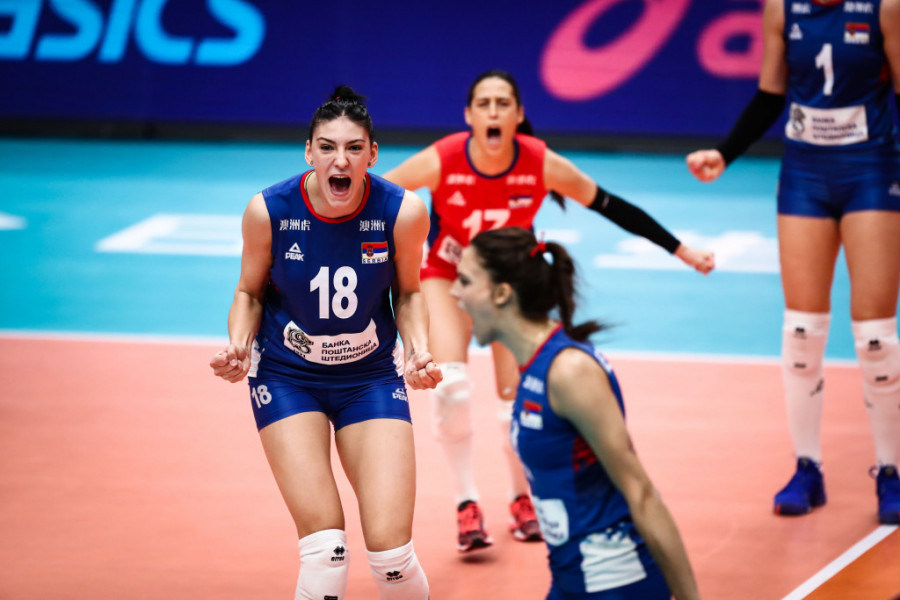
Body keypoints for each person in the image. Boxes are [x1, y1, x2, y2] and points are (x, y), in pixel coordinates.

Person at [382, 69, 716, 552]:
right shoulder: (444, 157)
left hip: (510, 287)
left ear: (518, 115)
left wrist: (680, 250)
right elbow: (375, 195)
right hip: (447, 275)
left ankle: (521, 498)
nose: (494, 112)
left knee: (513, 403)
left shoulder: (540, 163)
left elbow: (610, 205)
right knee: (451, 387)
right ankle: (466, 503)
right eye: (484, 104)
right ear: (469, 115)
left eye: (503, 103)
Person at [209, 86, 442, 600]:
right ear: (308, 152)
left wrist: (418, 350)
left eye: (354, 148)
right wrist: (239, 346)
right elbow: (248, 292)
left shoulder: (402, 212)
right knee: (325, 552)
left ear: (372, 155)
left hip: (370, 378)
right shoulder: (269, 211)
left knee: (393, 558)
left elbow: (409, 293)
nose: (341, 160)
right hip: (288, 378)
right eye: (328, 147)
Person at [686, 0, 900, 524]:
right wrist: (725, 152)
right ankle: (807, 467)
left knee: (875, 336)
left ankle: (891, 471)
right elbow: (770, 95)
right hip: (805, 175)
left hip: (871, 169)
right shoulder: (782, 9)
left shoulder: (886, 8)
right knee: (802, 331)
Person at [449, 226, 702, 600]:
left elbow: (642, 492)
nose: (453, 292)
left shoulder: (569, 371)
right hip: (570, 581)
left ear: (502, 293)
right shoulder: (531, 366)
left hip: (615, 584)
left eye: (466, 281)